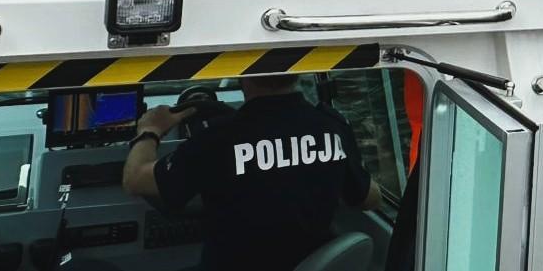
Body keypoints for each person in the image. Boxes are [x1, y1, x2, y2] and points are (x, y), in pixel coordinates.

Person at [122, 74, 382, 270]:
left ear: (242, 74)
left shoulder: (217, 139)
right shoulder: (331, 126)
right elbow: (369, 199)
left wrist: (150, 130)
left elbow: (135, 180)